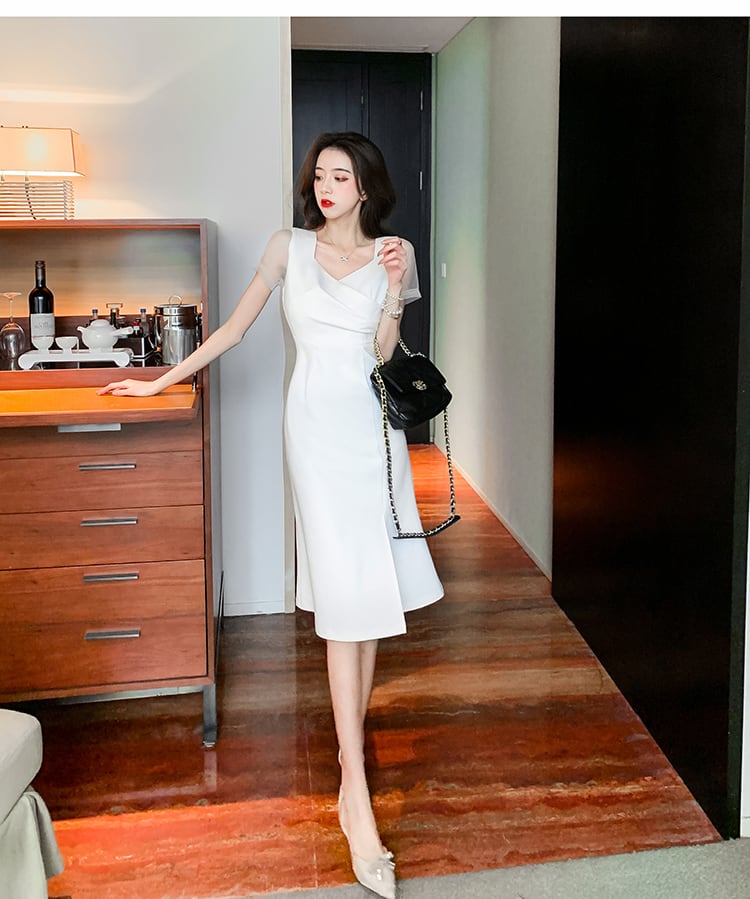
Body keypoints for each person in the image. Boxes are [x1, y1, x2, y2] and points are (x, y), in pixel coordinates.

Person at [98, 132, 443, 898]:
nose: (326, 185)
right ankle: (354, 788)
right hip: (315, 431)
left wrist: (393, 290)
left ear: (366, 186)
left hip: (373, 431)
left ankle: (352, 757)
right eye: (319, 174)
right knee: (342, 599)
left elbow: (385, 352)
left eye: (341, 175)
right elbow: (233, 327)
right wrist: (159, 381)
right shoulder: (288, 247)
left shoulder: (397, 252)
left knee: (366, 590)